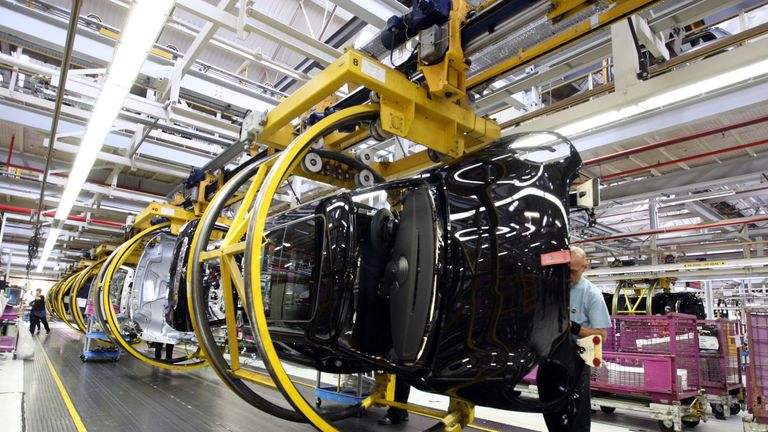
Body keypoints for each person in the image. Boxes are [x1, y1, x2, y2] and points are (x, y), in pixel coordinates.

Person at [541, 246, 611, 432]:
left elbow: (601, 336)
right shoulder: (554, 289)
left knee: (576, 413)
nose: (567, 276)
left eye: (571, 272)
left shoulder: (592, 295)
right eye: (564, 271)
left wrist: (574, 327)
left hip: (577, 361)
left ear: (584, 267)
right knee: (550, 407)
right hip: (551, 358)